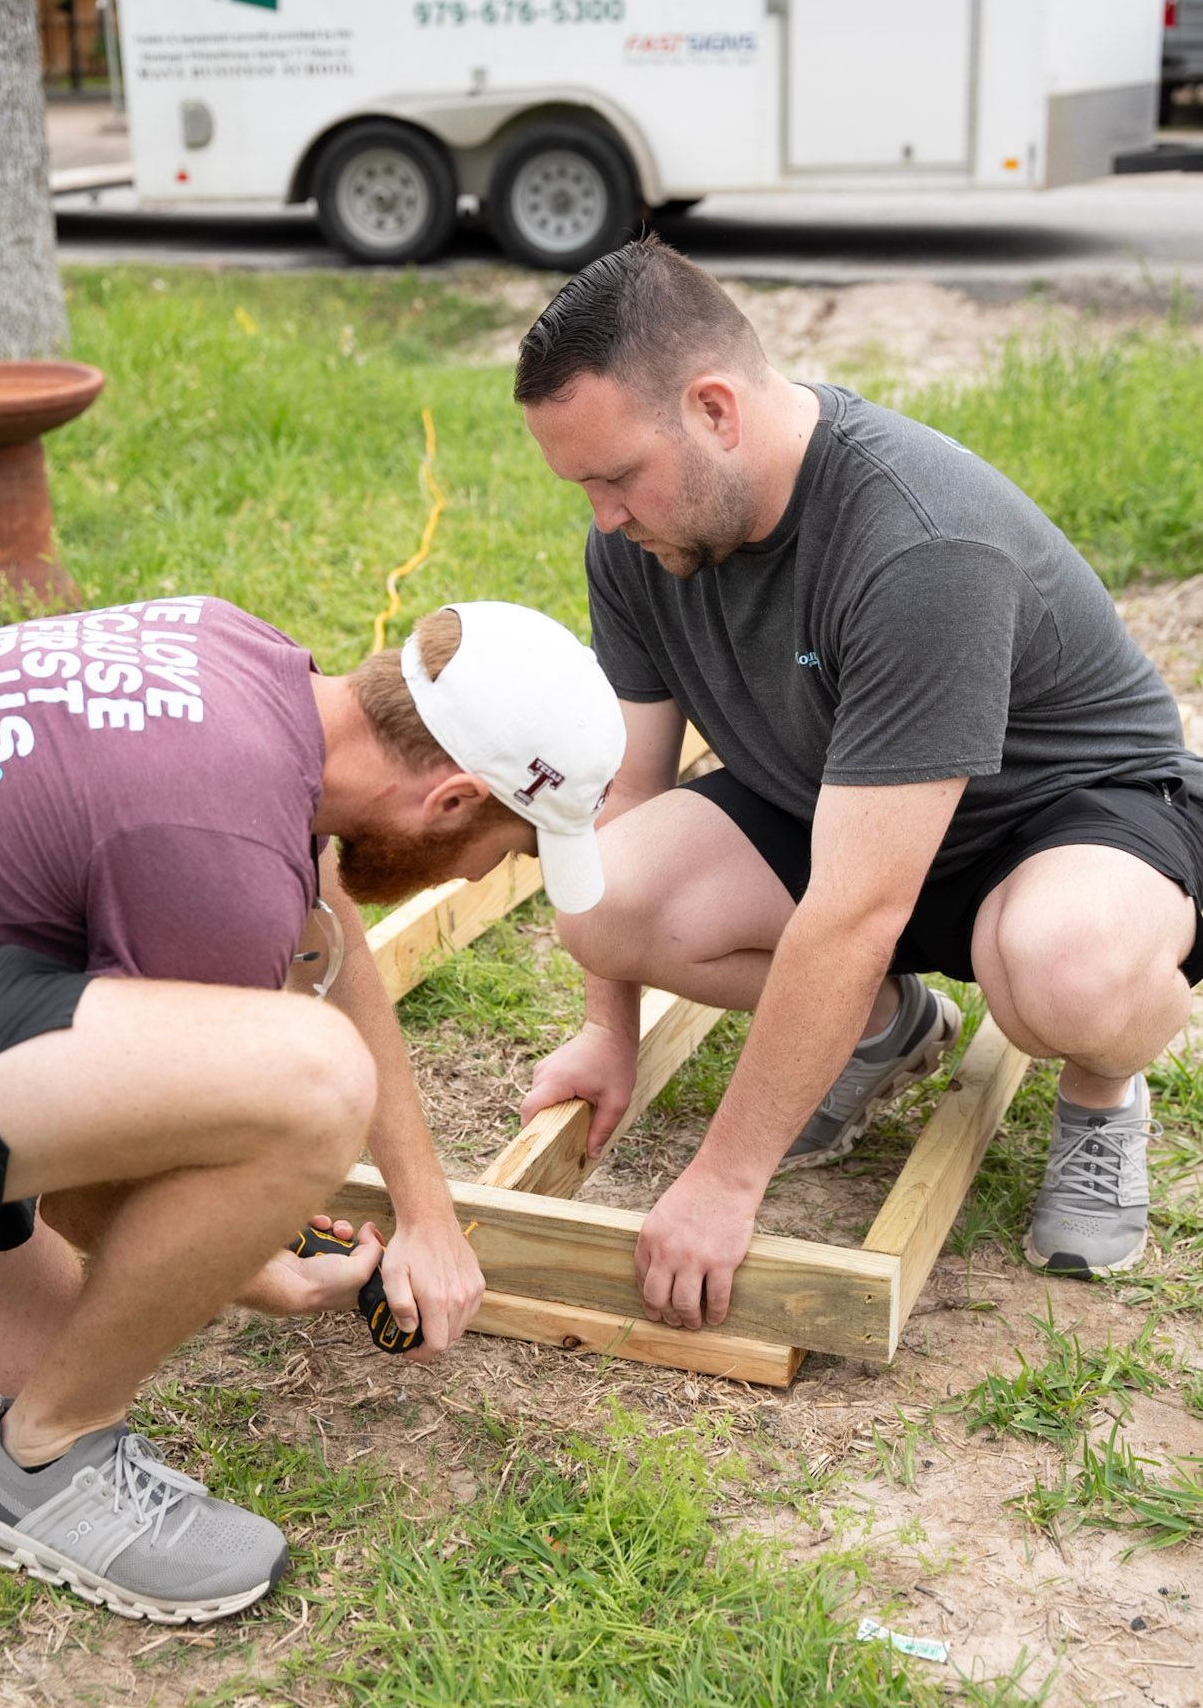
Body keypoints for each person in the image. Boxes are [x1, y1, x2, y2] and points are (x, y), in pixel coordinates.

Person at [0, 593, 625, 1622]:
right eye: (512, 846)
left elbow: (319, 912)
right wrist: (252, 1269)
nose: (487, 869)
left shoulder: (250, 670)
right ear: (453, 801)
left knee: (37, 1365)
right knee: (308, 1081)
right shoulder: (216, 851)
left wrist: (427, 1211)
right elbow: (97, 1187)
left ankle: (33, 1419)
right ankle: (48, 1464)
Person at [515, 234, 1203, 1338]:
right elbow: (624, 796)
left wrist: (726, 1181)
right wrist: (612, 1031)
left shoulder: (916, 544)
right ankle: (886, 1027)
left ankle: (1104, 1091)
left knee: (1060, 979)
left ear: (715, 409)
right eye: (582, 484)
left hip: (1061, 819)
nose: (603, 515)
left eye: (614, 476)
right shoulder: (641, 545)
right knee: (603, 900)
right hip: (841, 806)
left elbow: (856, 907)